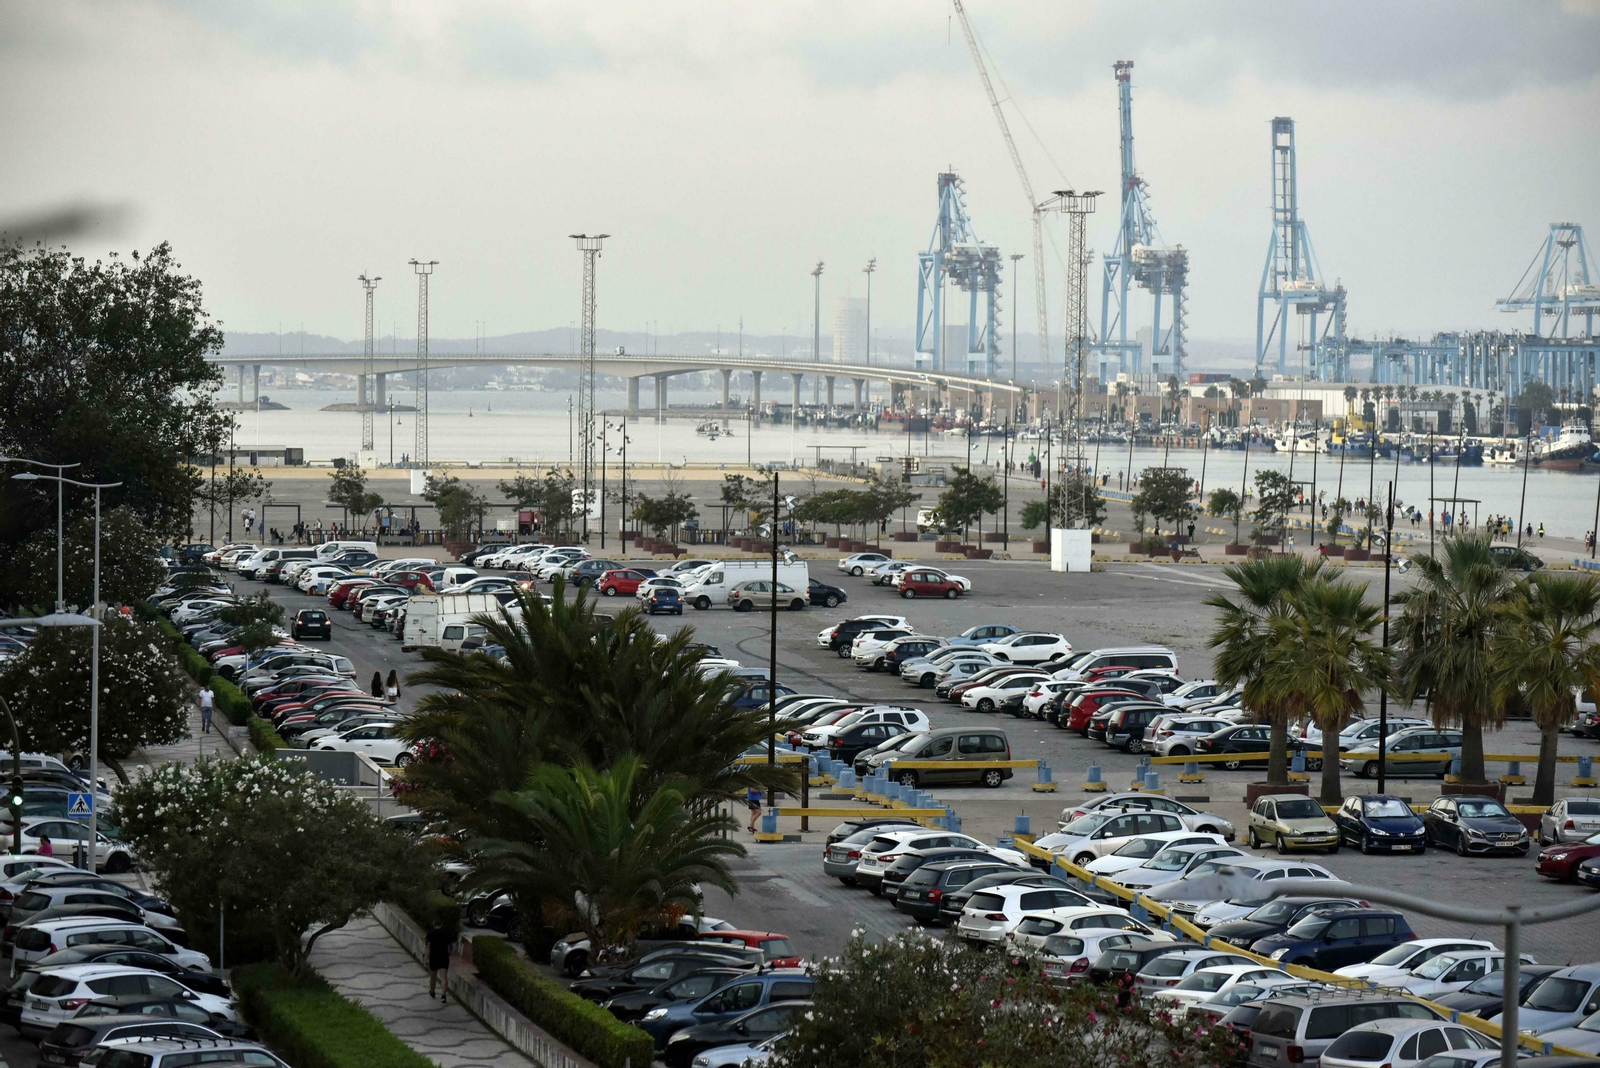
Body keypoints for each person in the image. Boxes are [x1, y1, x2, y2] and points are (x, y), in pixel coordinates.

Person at [426, 918, 455, 1001]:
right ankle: (443, 995)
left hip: (433, 957)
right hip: (444, 956)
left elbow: (427, 947)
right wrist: (450, 952)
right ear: (441, 924)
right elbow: (451, 945)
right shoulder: (446, 933)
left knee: (433, 976)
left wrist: (426, 959)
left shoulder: (430, 933)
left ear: (433, 924)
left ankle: (432, 991)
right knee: (444, 977)